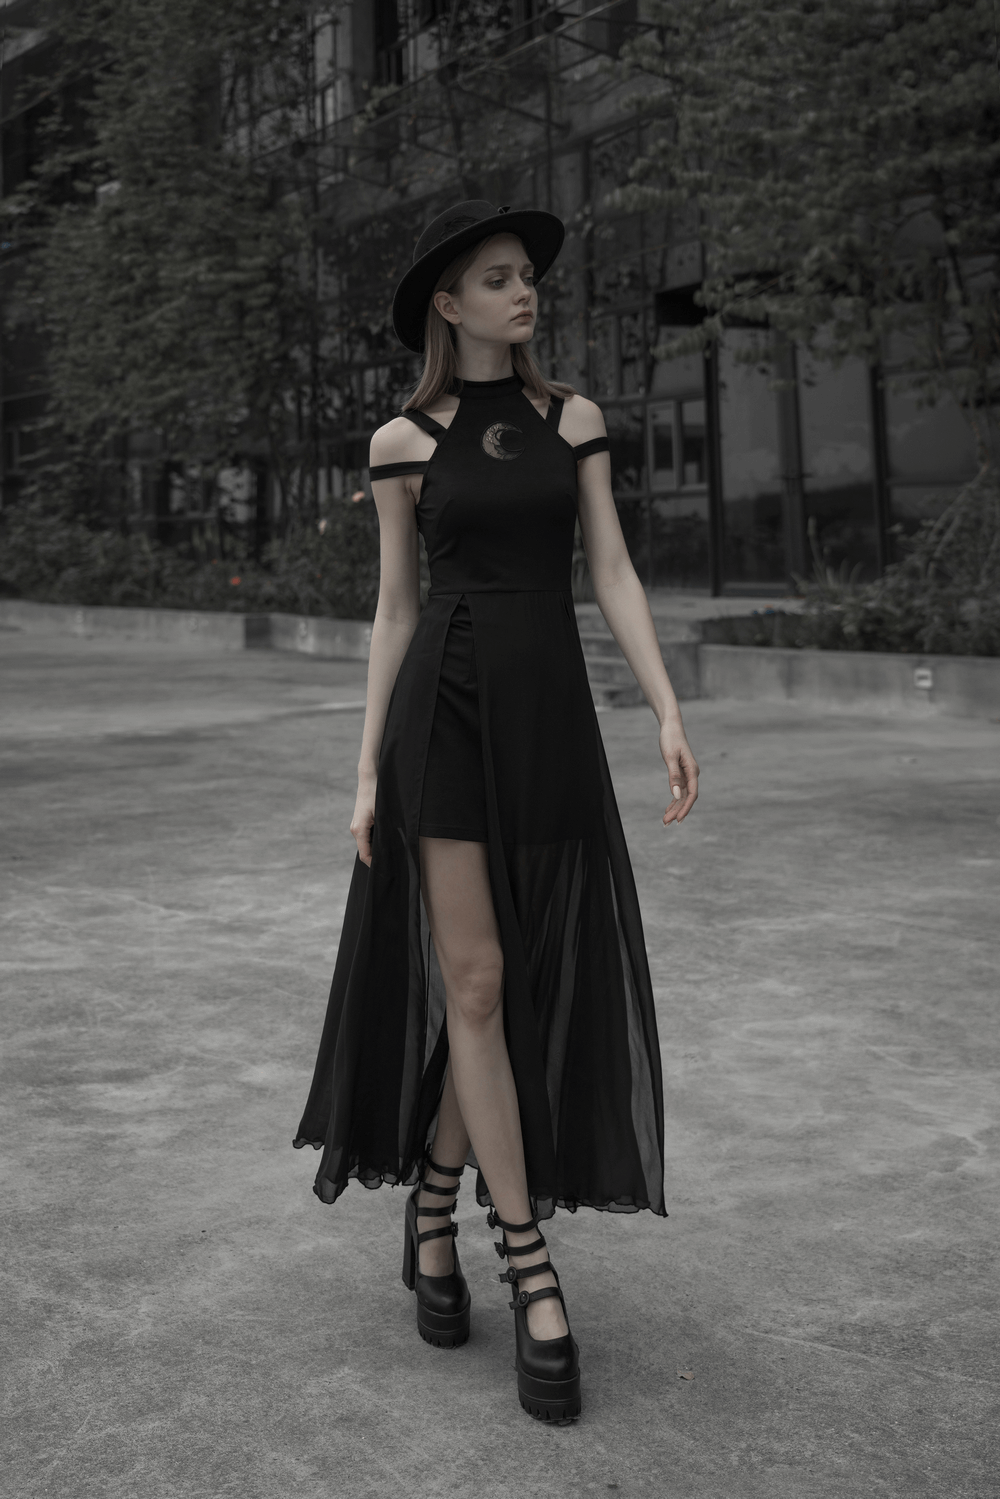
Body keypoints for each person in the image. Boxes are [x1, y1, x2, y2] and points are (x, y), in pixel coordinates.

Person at [294, 200, 699, 1424]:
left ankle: (432, 1194)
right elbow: (396, 610)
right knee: (473, 981)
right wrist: (367, 771)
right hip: (446, 718)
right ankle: (527, 1260)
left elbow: (612, 568)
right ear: (448, 306)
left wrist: (668, 710)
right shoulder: (399, 442)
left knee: (525, 967)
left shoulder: (570, 417)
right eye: (497, 278)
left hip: (552, 715)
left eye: (527, 276)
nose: (523, 292)